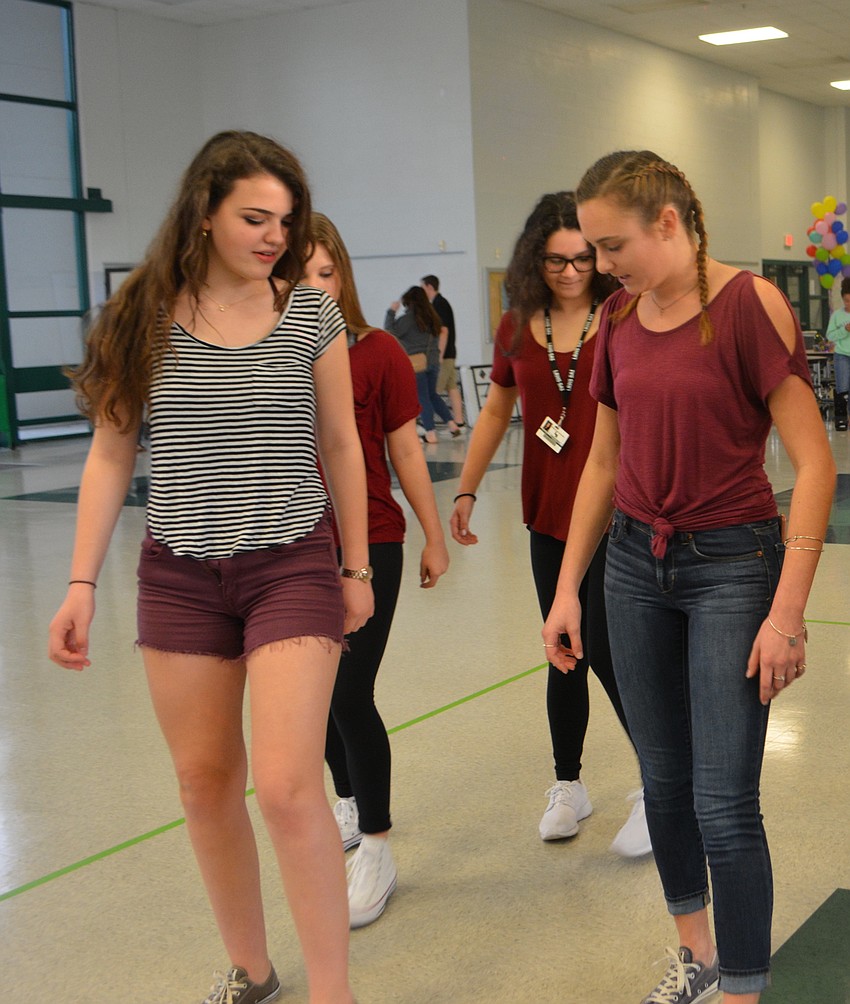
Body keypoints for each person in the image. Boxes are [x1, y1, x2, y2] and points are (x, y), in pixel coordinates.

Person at [47, 131, 373, 1004]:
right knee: (204, 783)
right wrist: (81, 583)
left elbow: (341, 443)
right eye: (253, 218)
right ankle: (254, 969)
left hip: (291, 566)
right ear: (204, 214)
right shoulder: (140, 318)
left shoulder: (311, 312)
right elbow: (111, 454)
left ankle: (332, 993)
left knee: (290, 786)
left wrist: (357, 566)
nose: (274, 235)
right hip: (181, 575)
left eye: (284, 219)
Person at [543, 150, 836, 1003]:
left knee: (724, 801)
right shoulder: (619, 320)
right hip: (634, 566)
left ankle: (743, 989)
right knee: (663, 781)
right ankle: (696, 956)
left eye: (612, 244)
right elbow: (600, 464)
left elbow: (813, 464)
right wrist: (569, 588)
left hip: (731, 567)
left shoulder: (750, 306)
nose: (601, 266)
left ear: (668, 222)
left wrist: (787, 613)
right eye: (592, 249)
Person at [450, 192, 651, 856]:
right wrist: (468, 490)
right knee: (563, 650)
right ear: (535, 259)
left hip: (618, 514)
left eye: (581, 258)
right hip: (547, 518)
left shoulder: (622, 314)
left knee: (612, 651)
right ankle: (569, 784)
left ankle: (660, 784)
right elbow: (494, 413)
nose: (569, 272)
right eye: (555, 260)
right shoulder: (517, 327)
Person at [302, 213, 450, 928]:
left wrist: (432, 535)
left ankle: (380, 846)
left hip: (371, 546)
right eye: (295, 273)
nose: (311, 287)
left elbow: (406, 451)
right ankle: (350, 802)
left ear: (344, 276)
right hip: (292, 551)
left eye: (324, 273)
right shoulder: (268, 354)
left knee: (351, 690)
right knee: (318, 697)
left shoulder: (378, 351)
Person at [385, 286, 461, 443]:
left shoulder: (407, 319)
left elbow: (390, 331)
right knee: (433, 395)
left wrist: (391, 311)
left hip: (416, 363)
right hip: (433, 362)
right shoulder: (432, 317)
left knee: (423, 398)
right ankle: (452, 424)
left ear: (410, 302)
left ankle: (430, 433)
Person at [421, 274, 465, 427]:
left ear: (429, 287)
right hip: (449, 353)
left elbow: (443, 331)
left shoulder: (439, 304)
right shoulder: (440, 303)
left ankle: (430, 424)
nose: (422, 292)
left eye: (423, 288)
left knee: (433, 391)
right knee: (451, 387)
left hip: (444, 355)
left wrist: (438, 355)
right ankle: (459, 421)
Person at [824, 275, 850, 430]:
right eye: (846, 301)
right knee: (842, 387)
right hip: (842, 355)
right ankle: (840, 419)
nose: (849, 304)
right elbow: (830, 335)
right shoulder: (837, 316)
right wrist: (844, 330)